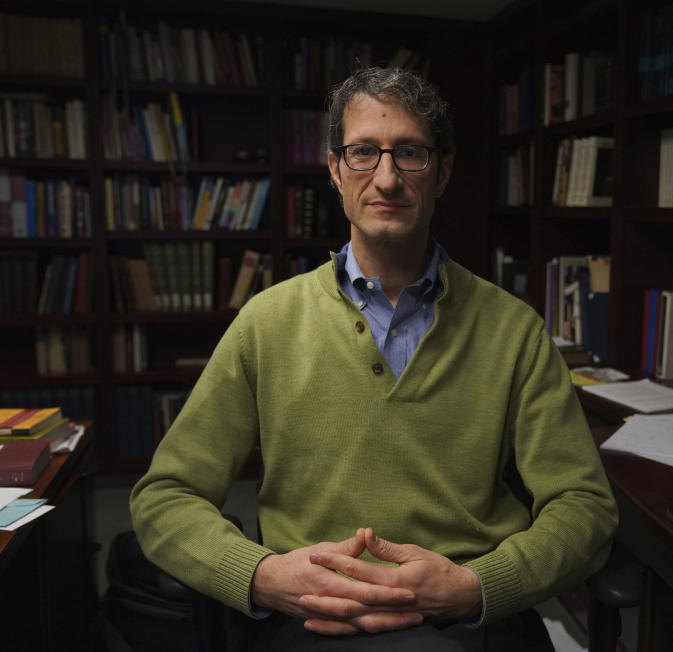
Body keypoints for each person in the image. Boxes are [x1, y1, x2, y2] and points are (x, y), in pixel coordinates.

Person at [130, 66, 618, 651]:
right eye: (363, 152)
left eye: (410, 153)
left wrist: (476, 585)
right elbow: (164, 498)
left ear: (443, 173)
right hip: (310, 618)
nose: (386, 178)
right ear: (335, 170)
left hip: (468, 619)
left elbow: (585, 508)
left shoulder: (514, 331)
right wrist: (262, 577)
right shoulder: (266, 323)